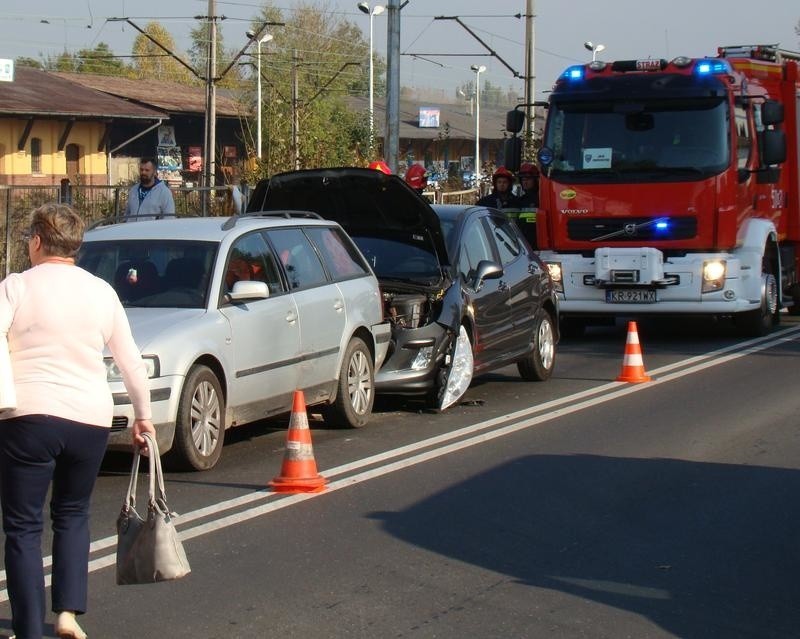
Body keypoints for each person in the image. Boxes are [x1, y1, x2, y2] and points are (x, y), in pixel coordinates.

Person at [0, 203, 155, 639]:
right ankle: (67, 614)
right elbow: (130, 361)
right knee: (71, 513)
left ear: (35, 241)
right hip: (89, 418)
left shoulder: (16, 287)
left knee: (24, 526)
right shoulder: (101, 291)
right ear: (76, 247)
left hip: (27, 417)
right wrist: (143, 417)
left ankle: (30, 628)